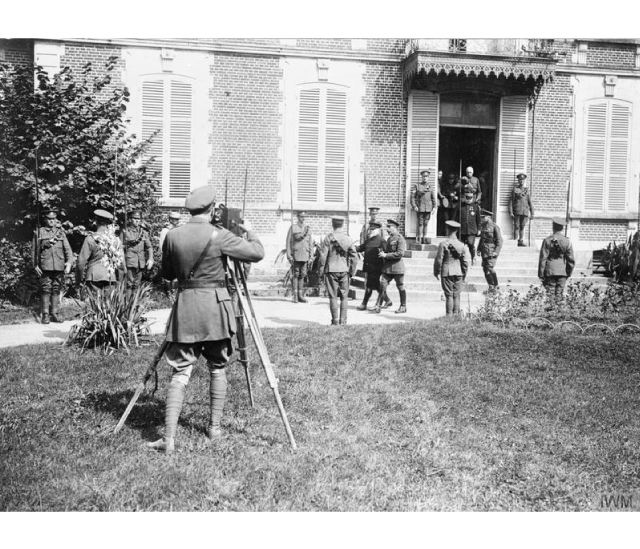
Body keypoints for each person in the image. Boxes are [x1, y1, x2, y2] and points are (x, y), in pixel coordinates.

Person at [147, 185, 264, 454]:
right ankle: (214, 428)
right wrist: (249, 229)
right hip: (215, 312)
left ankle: (169, 438)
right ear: (212, 209)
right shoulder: (220, 235)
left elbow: (167, 275)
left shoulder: (173, 235)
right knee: (217, 367)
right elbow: (256, 253)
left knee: (180, 371)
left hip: (186, 310)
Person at [32, 210, 73, 324]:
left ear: (56, 220)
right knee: (45, 289)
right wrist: (35, 265)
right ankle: (45, 314)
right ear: (45, 219)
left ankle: (54, 313)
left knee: (56, 289)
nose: (52, 221)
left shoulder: (61, 233)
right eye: (49, 219)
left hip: (59, 266)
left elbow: (68, 250)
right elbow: (34, 251)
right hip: (45, 266)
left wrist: (69, 263)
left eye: (54, 219)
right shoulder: (39, 233)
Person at [317, 216, 358, 325]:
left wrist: (321, 271)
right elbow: (354, 257)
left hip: (331, 270)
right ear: (342, 225)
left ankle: (335, 321)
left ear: (333, 224)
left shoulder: (328, 238)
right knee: (344, 297)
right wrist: (352, 271)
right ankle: (343, 321)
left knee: (333, 296)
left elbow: (322, 257)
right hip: (344, 270)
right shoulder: (348, 238)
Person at [76, 209, 125, 295]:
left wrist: (79, 281)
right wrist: (120, 282)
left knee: (94, 305)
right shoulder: (116, 240)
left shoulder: (90, 238)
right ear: (108, 224)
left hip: (93, 277)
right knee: (109, 306)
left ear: (96, 222)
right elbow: (122, 265)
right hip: (110, 277)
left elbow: (81, 263)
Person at [433, 220, 469, 316]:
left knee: (449, 295)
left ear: (447, 229)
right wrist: (464, 274)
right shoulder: (462, 245)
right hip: (459, 272)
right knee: (456, 295)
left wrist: (436, 271)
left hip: (447, 271)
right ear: (457, 231)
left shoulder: (443, 244)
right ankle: (456, 315)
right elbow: (465, 262)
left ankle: (449, 315)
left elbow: (439, 260)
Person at [373, 218, 407, 314]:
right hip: (388, 268)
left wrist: (386, 255)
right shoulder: (389, 239)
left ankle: (403, 306)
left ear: (395, 228)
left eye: (389, 227)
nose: (387, 229)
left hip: (397, 268)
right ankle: (378, 305)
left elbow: (400, 253)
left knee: (400, 286)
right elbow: (388, 251)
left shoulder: (400, 239)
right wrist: (383, 253)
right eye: (387, 227)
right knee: (382, 286)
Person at [538, 218, 575, 304]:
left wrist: (541, 274)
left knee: (550, 296)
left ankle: (550, 314)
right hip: (562, 272)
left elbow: (543, 258)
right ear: (562, 228)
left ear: (553, 227)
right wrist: (568, 273)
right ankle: (558, 314)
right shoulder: (567, 241)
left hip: (550, 271)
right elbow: (571, 260)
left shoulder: (547, 240)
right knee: (559, 296)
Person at [355, 220, 389, 311]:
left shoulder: (382, 241)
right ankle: (388, 300)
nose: (371, 231)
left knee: (369, 286)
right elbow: (360, 248)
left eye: (373, 230)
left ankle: (364, 304)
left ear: (378, 230)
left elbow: (386, 254)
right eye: (370, 229)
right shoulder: (368, 241)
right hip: (368, 267)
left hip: (377, 267)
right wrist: (352, 248)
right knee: (376, 286)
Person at [121, 210, 153, 297]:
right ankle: (127, 305)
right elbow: (120, 248)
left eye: (139, 219)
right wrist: (123, 263)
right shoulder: (125, 232)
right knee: (129, 284)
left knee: (137, 284)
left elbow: (149, 247)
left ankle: (134, 305)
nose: (137, 221)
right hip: (130, 261)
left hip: (141, 262)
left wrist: (150, 259)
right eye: (135, 219)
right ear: (130, 219)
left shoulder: (143, 232)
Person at [286, 210, 313, 303]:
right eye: (301, 216)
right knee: (296, 274)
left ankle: (300, 295)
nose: (303, 218)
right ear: (297, 217)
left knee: (303, 275)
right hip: (296, 254)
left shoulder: (308, 229)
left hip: (305, 254)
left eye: (304, 216)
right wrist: (289, 255)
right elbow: (288, 242)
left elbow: (310, 243)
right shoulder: (293, 228)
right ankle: (295, 296)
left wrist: (311, 256)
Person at [477, 210, 503, 293]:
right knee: (485, 268)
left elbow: (499, 240)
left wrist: (496, 251)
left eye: (483, 217)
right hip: (484, 250)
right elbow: (482, 239)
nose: (482, 219)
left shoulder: (494, 226)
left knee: (490, 268)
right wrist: (478, 249)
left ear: (488, 217)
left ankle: (496, 285)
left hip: (491, 250)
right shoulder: (483, 226)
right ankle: (490, 286)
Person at [410, 169, 436, 244]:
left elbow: (433, 197)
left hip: (428, 208)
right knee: (420, 223)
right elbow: (412, 197)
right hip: (420, 208)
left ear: (428, 177)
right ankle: (419, 238)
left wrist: (434, 207)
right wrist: (414, 206)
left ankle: (424, 238)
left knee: (426, 223)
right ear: (421, 177)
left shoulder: (430, 186)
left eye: (427, 176)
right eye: (424, 176)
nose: (425, 178)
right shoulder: (417, 186)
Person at [159, 212, 182, 296]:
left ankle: (174, 291)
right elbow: (162, 244)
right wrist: (164, 255)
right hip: (167, 256)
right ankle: (168, 292)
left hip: (176, 255)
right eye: (175, 219)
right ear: (170, 220)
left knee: (176, 273)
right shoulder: (165, 230)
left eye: (177, 220)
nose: (176, 221)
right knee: (168, 274)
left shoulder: (178, 230)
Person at [455, 191, 482, 263]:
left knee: (470, 244)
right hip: (461, 229)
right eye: (467, 198)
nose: (469, 200)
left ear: (472, 198)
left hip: (472, 229)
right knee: (460, 245)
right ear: (464, 197)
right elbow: (454, 217)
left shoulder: (475, 207)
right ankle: (460, 259)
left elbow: (478, 219)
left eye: (470, 198)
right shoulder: (460, 206)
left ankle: (473, 257)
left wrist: (479, 229)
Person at [509, 172, 535, 247]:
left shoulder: (526, 190)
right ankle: (514, 242)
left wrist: (532, 213)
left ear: (524, 181)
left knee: (522, 226)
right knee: (516, 226)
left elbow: (530, 202)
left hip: (525, 211)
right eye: (520, 180)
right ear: (518, 181)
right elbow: (510, 202)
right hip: (517, 211)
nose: (521, 181)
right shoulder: (515, 190)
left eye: (523, 180)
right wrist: (511, 212)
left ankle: (520, 241)